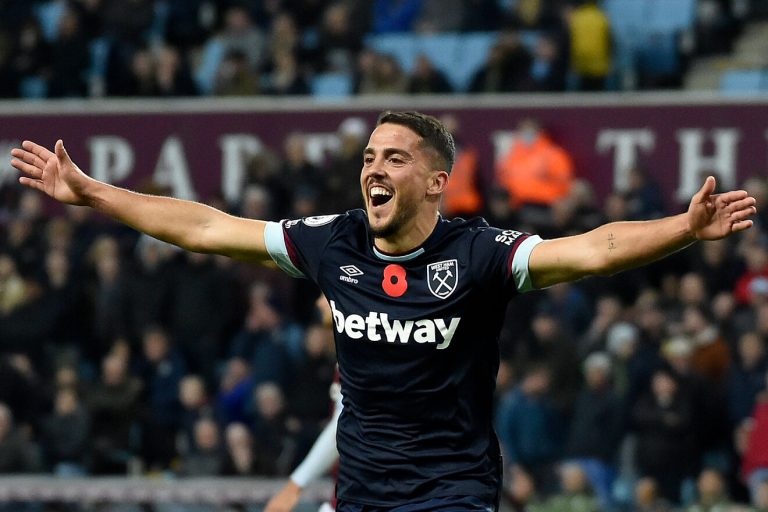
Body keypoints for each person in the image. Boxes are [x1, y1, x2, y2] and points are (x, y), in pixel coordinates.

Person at [10, 110, 757, 511]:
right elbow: (205, 228)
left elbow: (594, 248)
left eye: (394, 158)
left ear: (436, 184)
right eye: (369, 156)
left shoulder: (481, 254)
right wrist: (96, 193)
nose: (373, 167)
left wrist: (685, 229)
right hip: (362, 487)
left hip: (452, 491)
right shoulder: (330, 243)